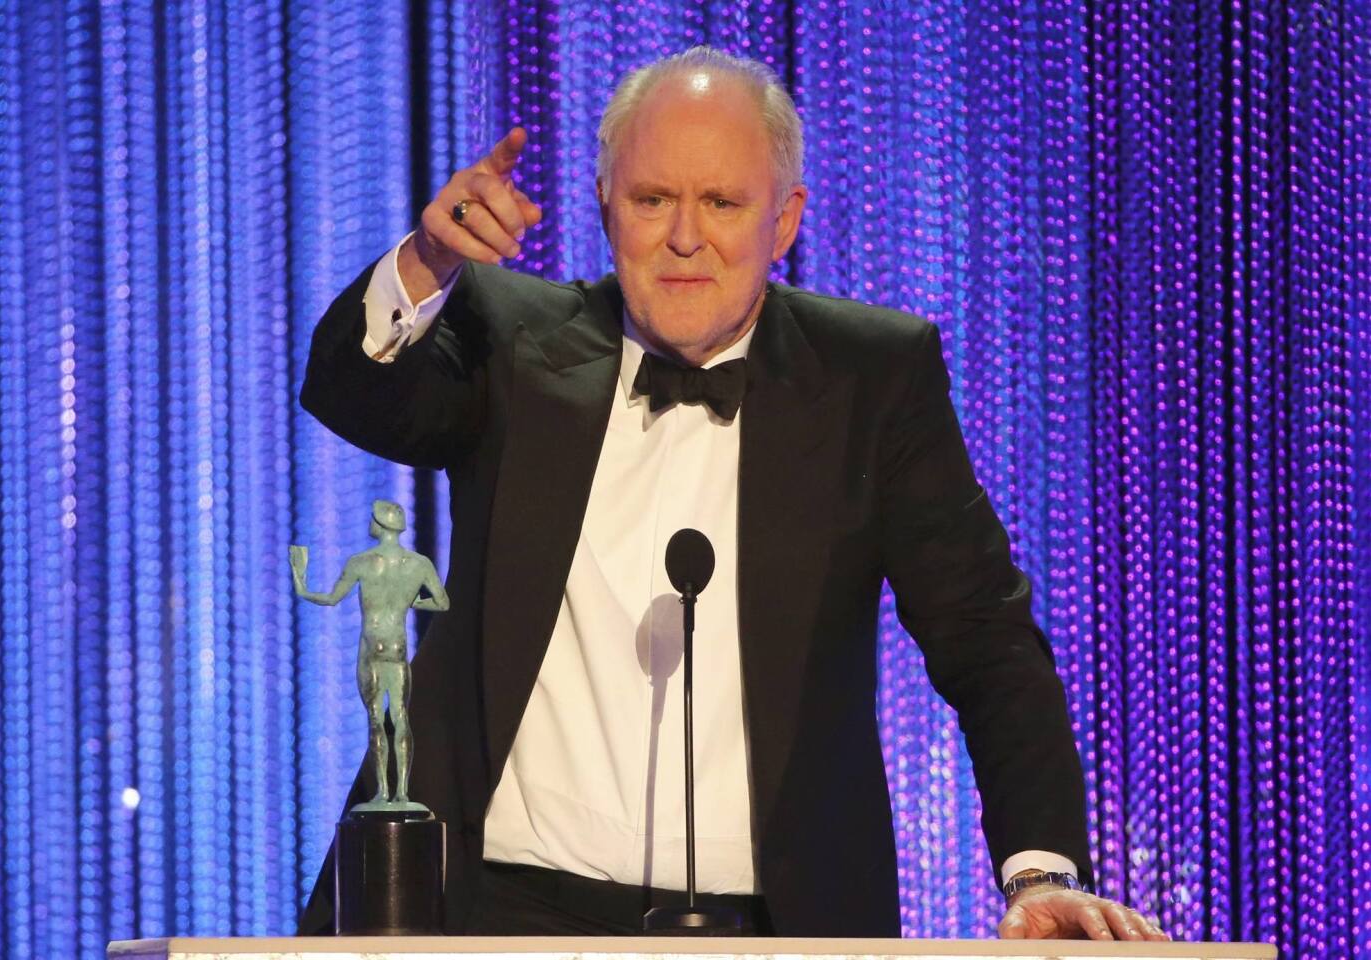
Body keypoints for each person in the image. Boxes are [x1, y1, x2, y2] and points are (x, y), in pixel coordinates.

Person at [297, 47, 1165, 940]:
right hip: (494, 915)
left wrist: (1042, 870)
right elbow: (352, 390)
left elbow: (985, 636)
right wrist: (427, 262)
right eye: (651, 199)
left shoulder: (872, 376)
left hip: (775, 929)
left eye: (721, 203)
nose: (684, 237)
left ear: (783, 221)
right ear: (603, 201)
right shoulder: (515, 341)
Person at [291, 500, 450, 808]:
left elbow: (330, 598)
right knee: (400, 718)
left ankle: (383, 792)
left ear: (381, 524)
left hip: (372, 647)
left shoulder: (362, 562)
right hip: (397, 645)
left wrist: (301, 583)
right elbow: (442, 603)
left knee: (377, 720)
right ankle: (401, 792)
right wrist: (412, 602)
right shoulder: (418, 564)